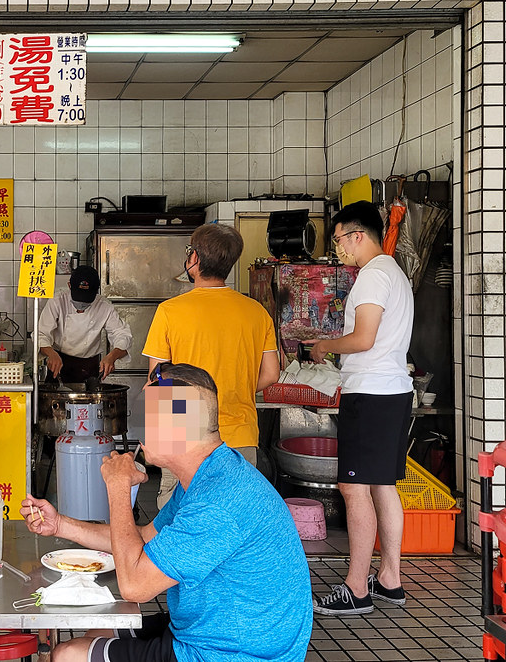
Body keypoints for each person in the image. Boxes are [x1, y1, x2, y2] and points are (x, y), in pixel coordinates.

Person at [22, 363, 312, 662]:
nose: (142, 427)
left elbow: (135, 586)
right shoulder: (209, 474)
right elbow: (145, 538)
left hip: (235, 653)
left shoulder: (217, 503)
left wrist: (118, 487)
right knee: (98, 631)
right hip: (206, 630)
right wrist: (60, 525)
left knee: (68, 654)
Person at [309, 200, 414, 616]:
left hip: (370, 394)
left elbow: (364, 338)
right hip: (391, 392)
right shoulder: (394, 273)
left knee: (354, 489)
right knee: (383, 486)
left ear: (357, 235)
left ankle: (356, 588)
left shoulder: (372, 277)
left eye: (339, 240)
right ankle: (389, 579)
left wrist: (324, 346)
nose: (339, 250)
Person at [143, 223, 281, 507]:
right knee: (234, 520)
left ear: (194, 259)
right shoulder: (257, 313)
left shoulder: (170, 312)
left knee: (181, 519)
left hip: (183, 435)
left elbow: (159, 381)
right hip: (240, 436)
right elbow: (271, 374)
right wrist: (234, 387)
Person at [37, 266, 132, 382]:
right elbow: (41, 334)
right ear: (69, 286)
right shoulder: (57, 301)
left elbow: (122, 334)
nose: (81, 306)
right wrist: (51, 353)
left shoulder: (105, 306)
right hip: (58, 366)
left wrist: (112, 356)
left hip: (89, 369)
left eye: (86, 300)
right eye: (78, 298)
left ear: (96, 291)